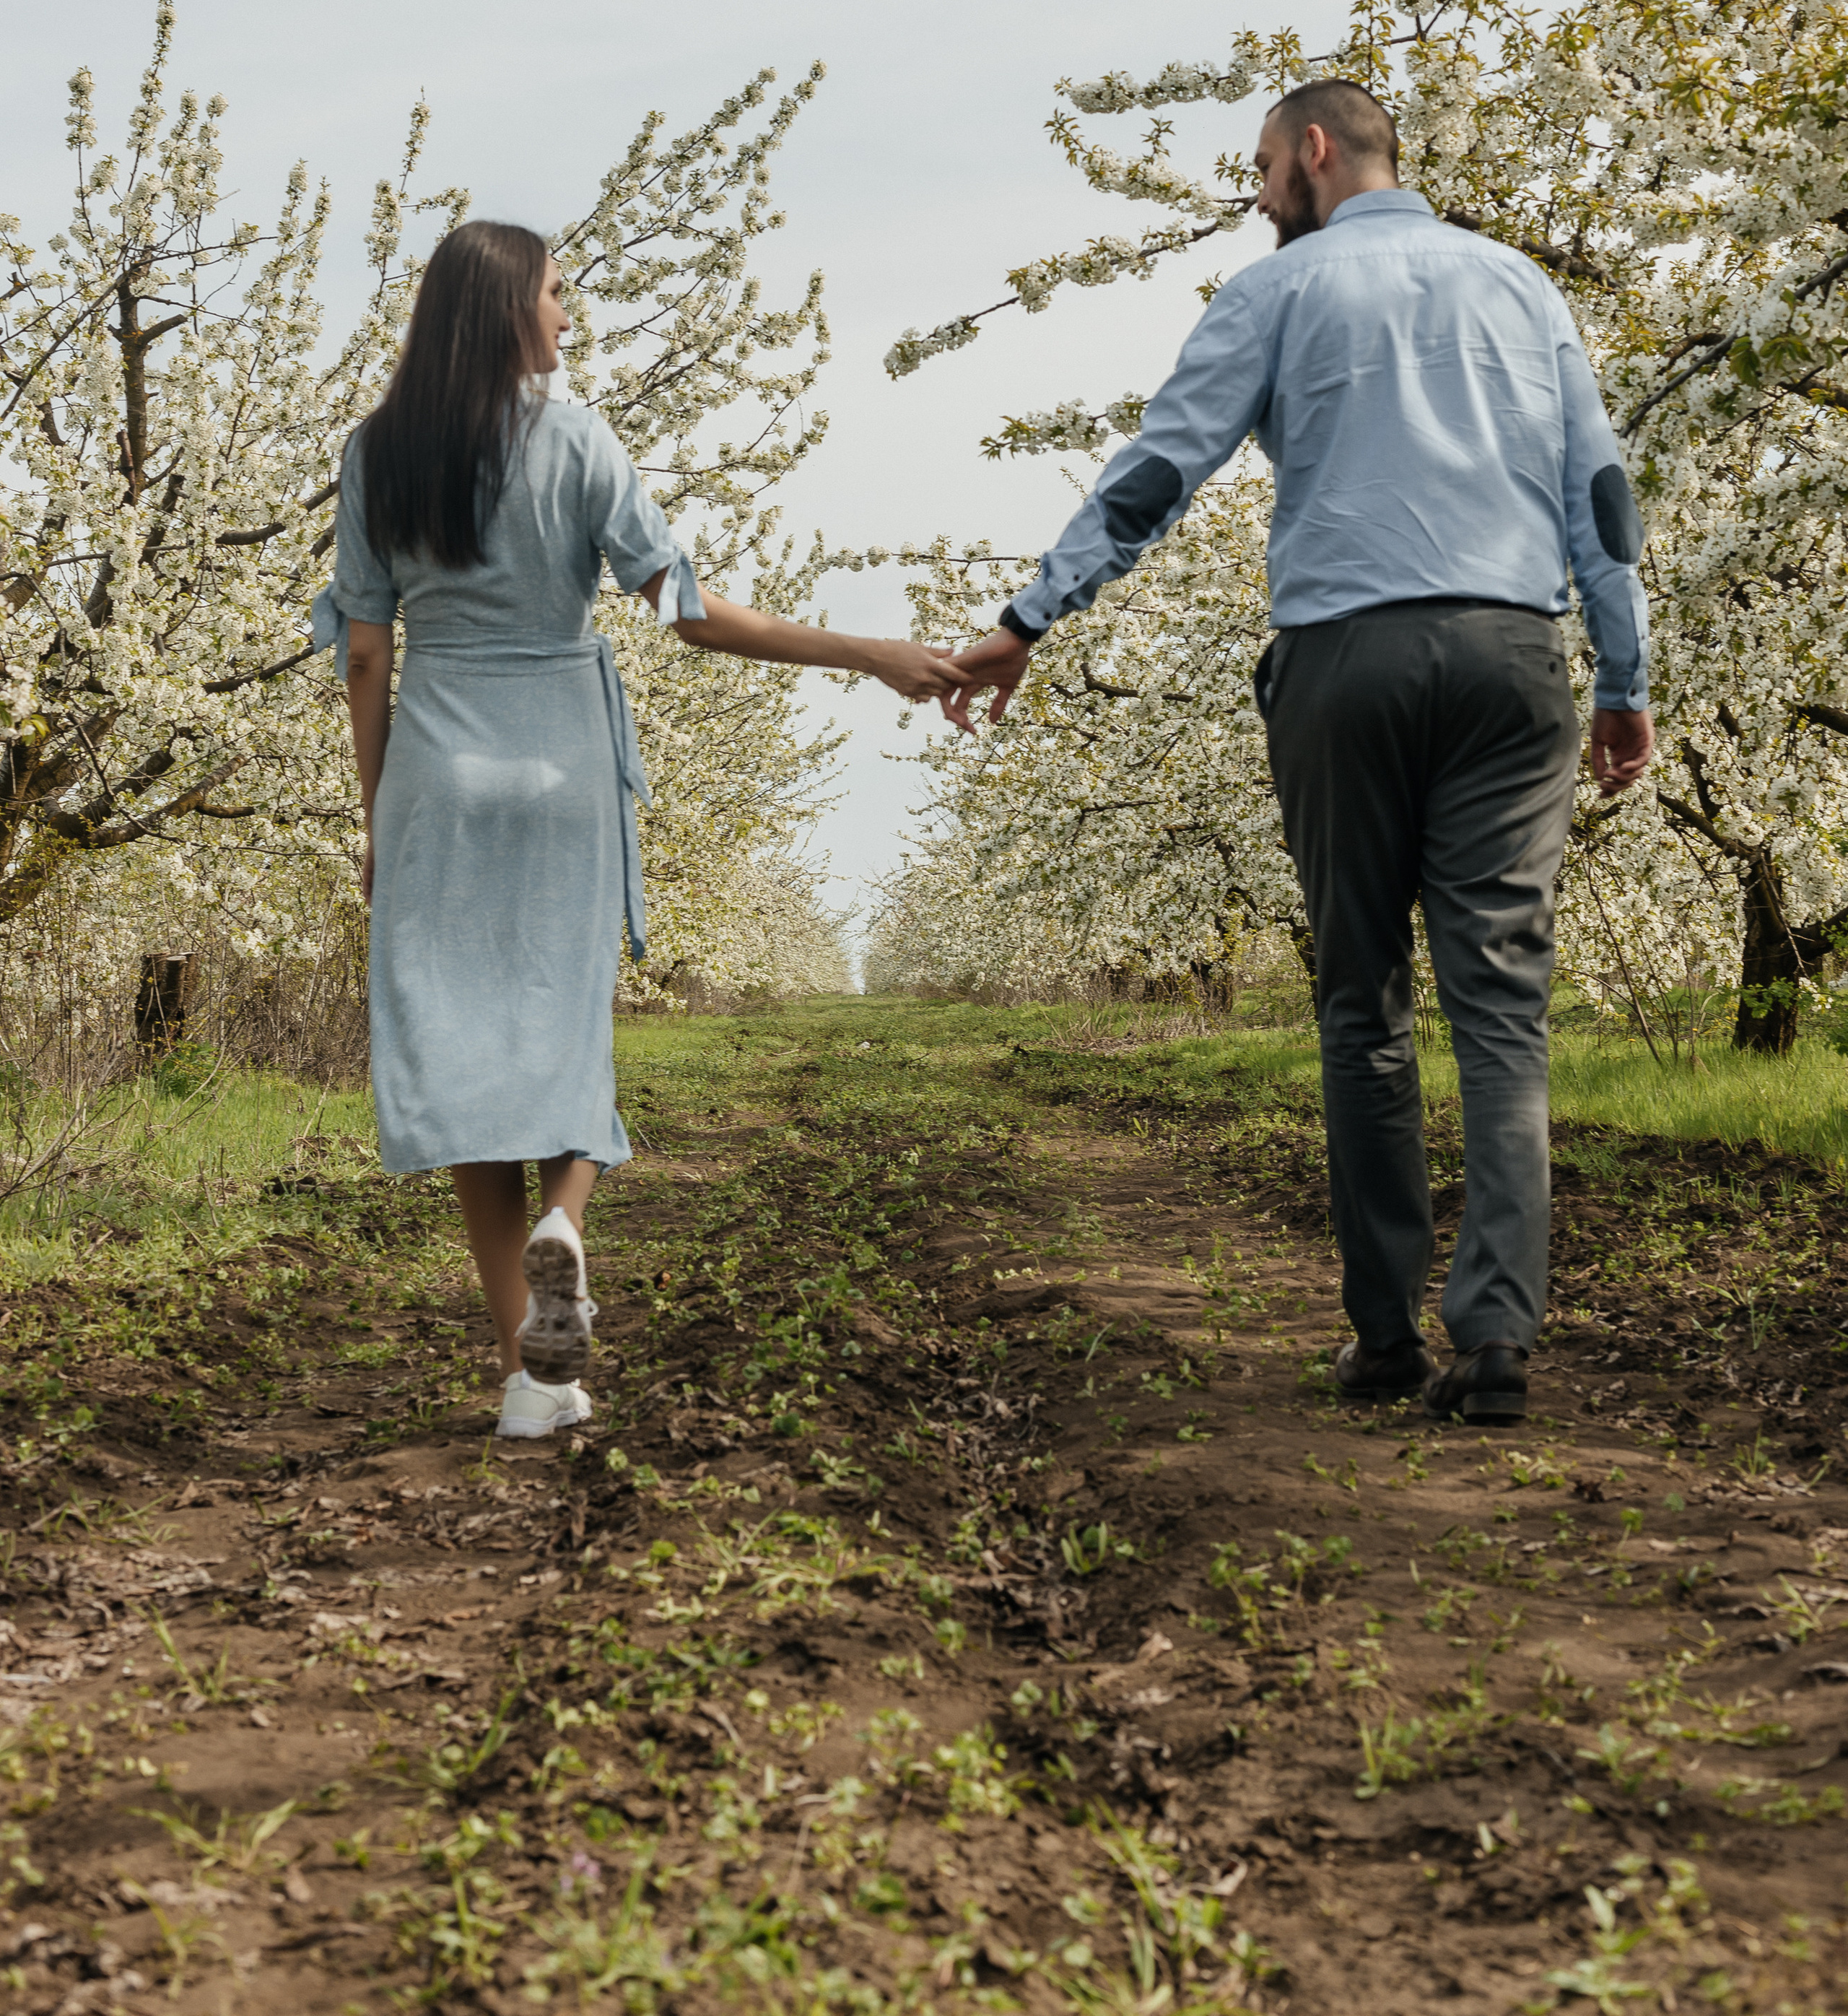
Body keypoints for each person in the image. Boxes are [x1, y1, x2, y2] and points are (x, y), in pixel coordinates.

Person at [943, 81, 1652, 1425]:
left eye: (1263, 166)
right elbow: (1599, 495)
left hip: (1346, 664)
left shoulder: (1275, 293)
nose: (1262, 192)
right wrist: (1622, 677)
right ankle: (1496, 1341)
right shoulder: (1524, 290)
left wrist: (1032, 615)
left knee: (1362, 998)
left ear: (1314, 153)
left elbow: (1161, 471)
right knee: (1502, 1009)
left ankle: (1385, 1337)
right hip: (1512, 658)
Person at [313, 222, 958, 1439]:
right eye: (559, 295)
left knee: (464, 1055)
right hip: (562, 766)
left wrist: (377, 811)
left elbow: (361, 651)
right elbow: (691, 613)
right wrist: (867, 652)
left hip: (436, 776)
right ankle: (570, 1221)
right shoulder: (576, 441)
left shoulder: (375, 456)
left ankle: (528, 1380)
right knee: (564, 1026)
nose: (570, 317)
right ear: (509, 312)